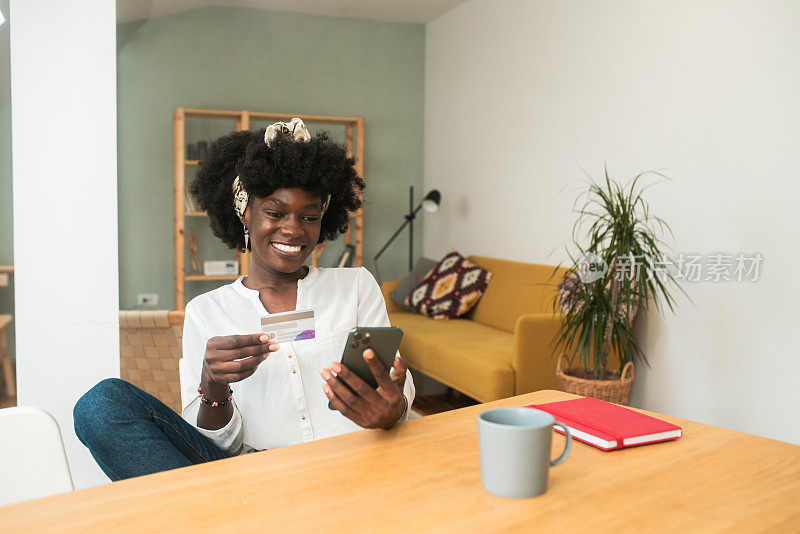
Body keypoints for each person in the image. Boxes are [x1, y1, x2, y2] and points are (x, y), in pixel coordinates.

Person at [74, 119, 415, 481]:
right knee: (102, 405)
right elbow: (217, 443)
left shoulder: (356, 286)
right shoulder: (207, 312)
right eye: (275, 212)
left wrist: (393, 410)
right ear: (244, 213)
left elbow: (395, 392)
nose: (294, 229)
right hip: (251, 476)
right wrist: (213, 386)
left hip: (350, 463)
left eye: (310, 217)